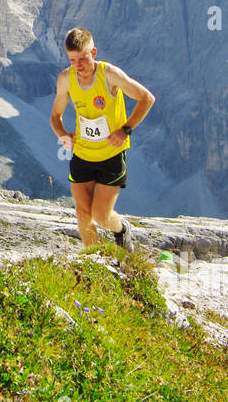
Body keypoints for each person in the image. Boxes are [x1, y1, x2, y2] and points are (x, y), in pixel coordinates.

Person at [50, 27, 155, 249]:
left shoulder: (110, 74)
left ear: (94, 53)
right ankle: (94, 260)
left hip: (111, 155)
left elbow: (146, 98)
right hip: (83, 154)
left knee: (100, 215)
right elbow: (55, 116)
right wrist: (63, 135)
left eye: (82, 58)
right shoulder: (65, 79)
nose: (78, 65)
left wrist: (125, 129)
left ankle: (122, 229)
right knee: (82, 212)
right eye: (72, 60)